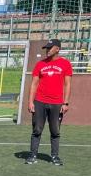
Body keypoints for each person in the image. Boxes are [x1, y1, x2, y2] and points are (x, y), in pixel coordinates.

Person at [25, 38, 72, 166]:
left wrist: (65, 103)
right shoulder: (40, 64)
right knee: (37, 130)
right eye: (46, 48)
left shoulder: (65, 64)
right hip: (39, 102)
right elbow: (34, 84)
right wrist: (30, 102)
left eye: (49, 48)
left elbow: (67, 84)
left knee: (55, 131)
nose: (47, 50)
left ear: (57, 49)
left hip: (57, 103)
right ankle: (32, 155)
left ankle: (55, 156)